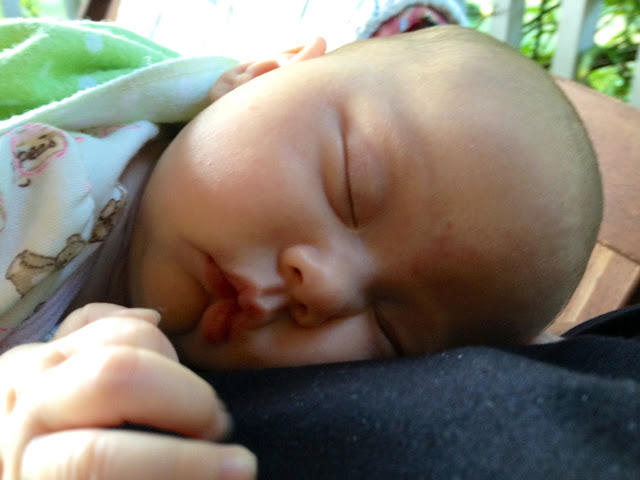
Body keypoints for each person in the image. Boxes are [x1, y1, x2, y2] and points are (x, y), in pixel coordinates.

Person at [0, 25, 602, 479]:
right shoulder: (35, 175)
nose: (326, 286)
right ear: (261, 74)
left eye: (391, 332)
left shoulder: (206, 413)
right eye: (351, 188)